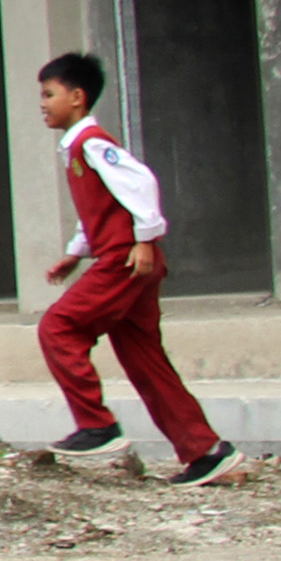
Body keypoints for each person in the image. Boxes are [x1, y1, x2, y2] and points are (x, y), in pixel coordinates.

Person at [32, 53, 239, 488]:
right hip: (126, 258)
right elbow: (103, 207)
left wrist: (146, 239)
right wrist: (76, 251)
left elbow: (141, 183)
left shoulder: (92, 142)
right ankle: (206, 452)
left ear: (77, 96)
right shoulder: (76, 146)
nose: (43, 103)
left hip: (125, 260)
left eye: (49, 94)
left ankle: (97, 425)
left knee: (58, 327)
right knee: (146, 361)